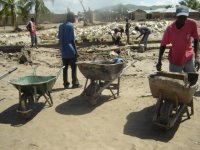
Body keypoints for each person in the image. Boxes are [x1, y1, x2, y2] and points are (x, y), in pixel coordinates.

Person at [156, 6, 200, 73]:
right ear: (176, 16)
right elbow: (163, 45)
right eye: (180, 17)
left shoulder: (192, 24)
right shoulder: (170, 29)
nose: (182, 19)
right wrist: (159, 61)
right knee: (175, 80)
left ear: (187, 16)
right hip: (176, 59)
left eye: (184, 17)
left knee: (191, 78)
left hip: (189, 58)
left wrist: (197, 57)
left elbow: (196, 39)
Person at [58, 12, 80, 89]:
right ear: (71, 17)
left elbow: (59, 38)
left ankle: (65, 84)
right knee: (73, 68)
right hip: (71, 51)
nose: (75, 19)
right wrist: (76, 52)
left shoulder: (60, 26)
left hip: (63, 51)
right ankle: (75, 83)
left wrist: (61, 49)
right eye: (74, 17)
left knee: (65, 68)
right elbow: (73, 40)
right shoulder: (71, 26)